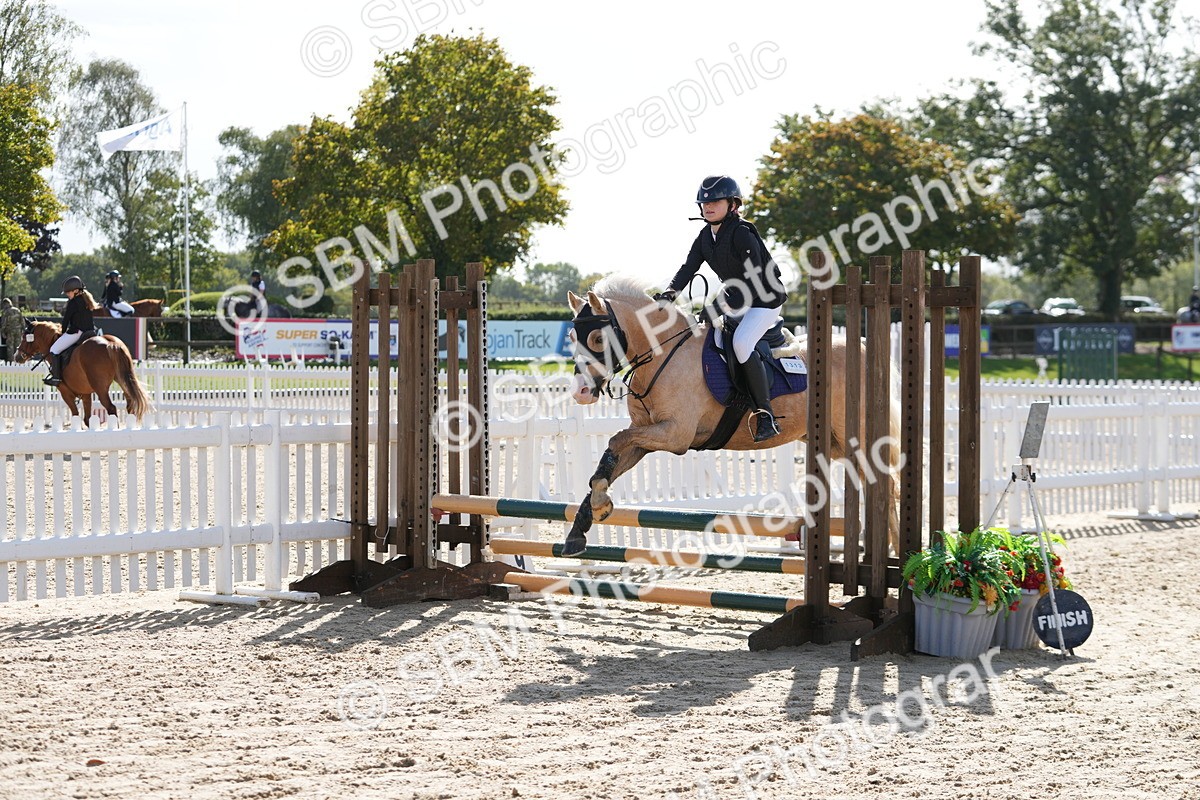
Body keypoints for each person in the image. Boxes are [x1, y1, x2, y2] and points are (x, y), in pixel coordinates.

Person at [655, 175, 786, 442]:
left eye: (715, 201)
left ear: (732, 204)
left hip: (764, 299)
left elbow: (753, 280)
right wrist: (669, 293)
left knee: (740, 343)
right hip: (738, 296)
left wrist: (718, 305)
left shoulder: (742, 232)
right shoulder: (706, 236)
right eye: (704, 202)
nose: (708, 206)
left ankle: (765, 414)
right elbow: (688, 268)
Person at [44, 276, 96, 386]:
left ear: (76, 291)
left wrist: (62, 332)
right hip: (90, 332)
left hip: (77, 332)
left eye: (68, 292)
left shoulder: (73, 302)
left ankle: (56, 378)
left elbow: (66, 319)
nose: (67, 294)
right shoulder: (87, 300)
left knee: (54, 349)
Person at [1, 297, 25, 363]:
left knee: (10, 346)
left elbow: (3, 323)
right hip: (18, 331)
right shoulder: (17, 310)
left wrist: (2, 332)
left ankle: (11, 361)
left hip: (10, 331)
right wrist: (23, 329)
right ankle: (18, 360)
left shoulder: (5, 312)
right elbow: (22, 321)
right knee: (18, 346)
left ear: (5, 304)